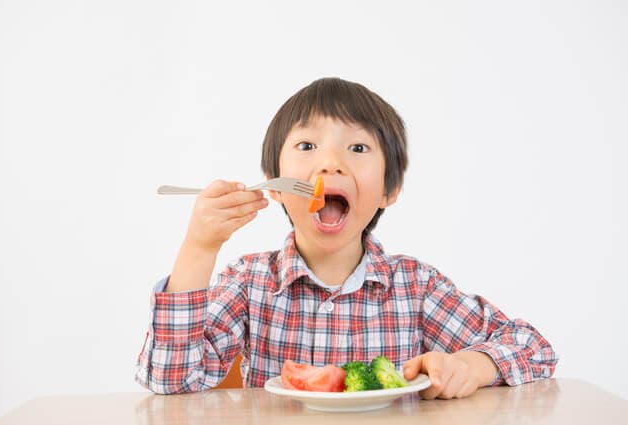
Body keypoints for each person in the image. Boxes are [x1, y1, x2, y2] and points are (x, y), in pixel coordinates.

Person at [135, 77, 558, 399]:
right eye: (306, 145)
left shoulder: (416, 287)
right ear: (276, 186)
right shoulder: (249, 283)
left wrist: (473, 364)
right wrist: (199, 247)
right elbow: (171, 380)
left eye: (357, 148)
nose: (331, 163)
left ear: (389, 191)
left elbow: (534, 348)